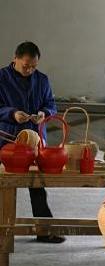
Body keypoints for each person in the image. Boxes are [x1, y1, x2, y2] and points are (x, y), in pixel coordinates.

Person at [0, 41, 65, 243]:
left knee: (37, 184)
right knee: (3, 185)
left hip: (35, 139)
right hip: (7, 139)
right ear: (15, 59)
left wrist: (43, 113)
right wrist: (12, 113)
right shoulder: (1, 78)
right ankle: (2, 231)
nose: (29, 70)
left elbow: (51, 105)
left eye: (34, 66)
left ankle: (44, 231)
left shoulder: (42, 80)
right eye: (26, 65)